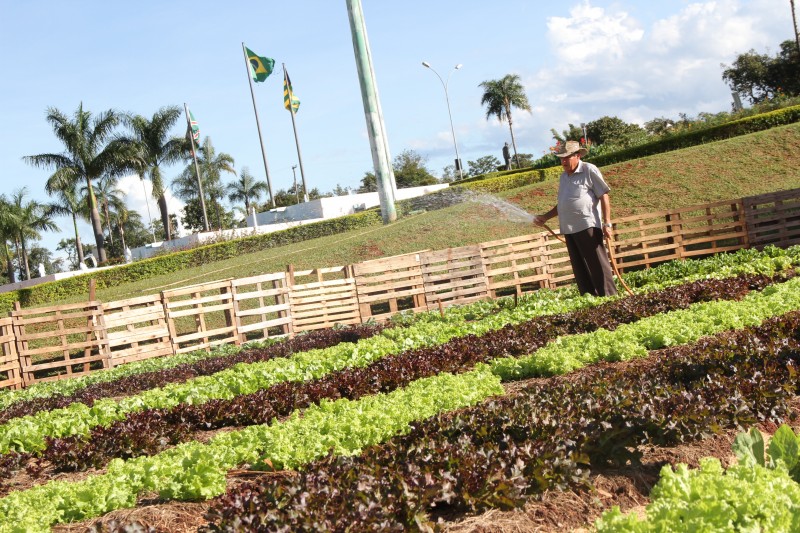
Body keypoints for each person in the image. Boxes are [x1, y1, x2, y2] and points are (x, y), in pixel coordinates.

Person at [532, 140, 618, 297]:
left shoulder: (588, 170)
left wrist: (607, 223)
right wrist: (545, 217)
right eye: (561, 158)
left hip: (587, 225)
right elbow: (563, 204)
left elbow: (604, 195)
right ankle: (589, 298)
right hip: (569, 228)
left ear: (578, 156)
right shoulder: (564, 177)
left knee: (597, 264)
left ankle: (609, 296)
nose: (563, 161)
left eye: (567, 157)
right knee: (580, 268)